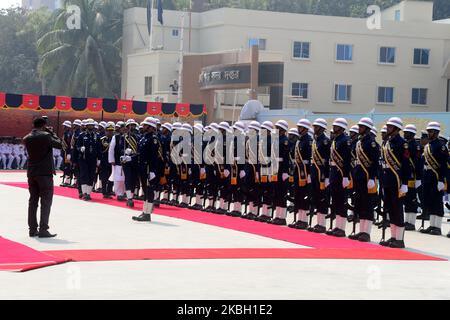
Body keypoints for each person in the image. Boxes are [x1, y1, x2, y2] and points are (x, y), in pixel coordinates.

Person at [23, 117, 62, 238]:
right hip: (44, 173)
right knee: (46, 202)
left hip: (32, 172)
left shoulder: (27, 137)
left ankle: (32, 229)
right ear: (44, 125)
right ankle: (43, 229)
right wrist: (52, 133)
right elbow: (60, 145)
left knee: (33, 201)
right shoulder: (45, 136)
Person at [380, 117, 410, 248]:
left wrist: (405, 183)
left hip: (397, 181)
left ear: (397, 129)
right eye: (388, 126)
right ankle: (393, 237)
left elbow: (406, 165)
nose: (388, 128)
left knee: (397, 209)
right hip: (387, 181)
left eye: (391, 127)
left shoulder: (402, 143)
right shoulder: (388, 142)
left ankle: (399, 239)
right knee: (390, 209)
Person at [349, 117, 380, 242]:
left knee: (367, 205)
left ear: (367, 128)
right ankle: (361, 231)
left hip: (367, 178)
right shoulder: (359, 141)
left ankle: (366, 232)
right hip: (359, 177)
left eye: (361, 126)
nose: (359, 128)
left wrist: (372, 178)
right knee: (360, 204)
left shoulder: (371, 142)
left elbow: (374, 162)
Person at [420, 122, 448, 236]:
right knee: (430, 201)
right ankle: (432, 225)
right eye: (428, 131)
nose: (429, 133)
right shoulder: (428, 146)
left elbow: (443, 165)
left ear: (436, 133)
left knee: (437, 202)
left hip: (436, 178)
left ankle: (438, 227)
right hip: (427, 177)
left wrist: (441, 180)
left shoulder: (440, 146)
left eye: (431, 131)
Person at [326, 118, 351, 237]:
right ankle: (337, 226)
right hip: (334, 173)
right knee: (335, 201)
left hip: (341, 174)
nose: (334, 128)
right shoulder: (336, 140)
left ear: (341, 128)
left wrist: (346, 176)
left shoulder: (345, 141)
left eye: (336, 126)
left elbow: (346, 160)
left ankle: (341, 228)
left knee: (341, 201)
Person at [308, 118, 331, 233]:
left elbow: (327, 160)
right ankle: (318, 223)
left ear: (322, 128)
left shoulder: (325, 141)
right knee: (316, 198)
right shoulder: (315, 140)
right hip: (314, 173)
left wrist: (327, 176)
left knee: (322, 199)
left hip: (322, 174)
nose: (314, 128)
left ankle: (322, 225)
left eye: (316, 127)